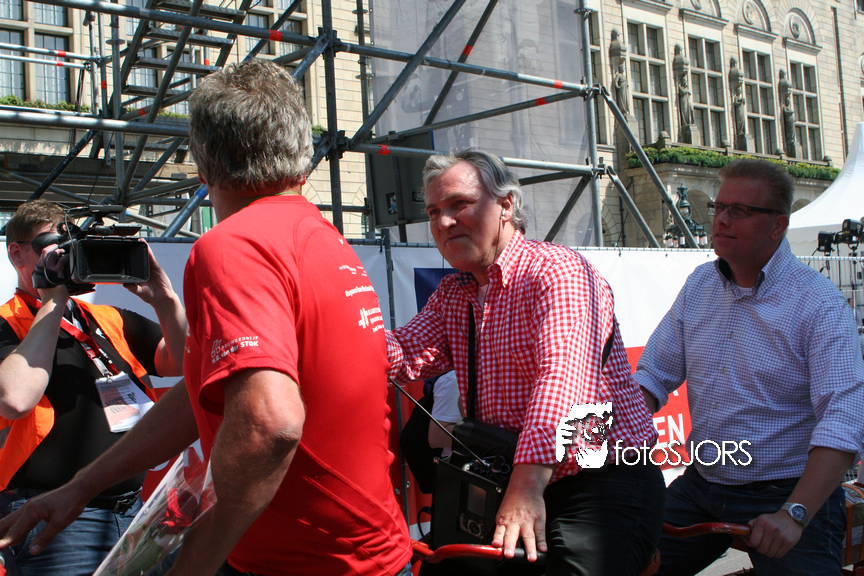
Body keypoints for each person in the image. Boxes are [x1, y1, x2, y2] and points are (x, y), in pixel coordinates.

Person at [0, 59, 412, 576]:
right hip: (359, 550)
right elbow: (199, 393)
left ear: (204, 167)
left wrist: (192, 566)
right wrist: (82, 486)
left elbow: (269, 424)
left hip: (300, 562)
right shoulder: (323, 236)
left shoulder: (234, 245)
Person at [387, 148, 665, 576]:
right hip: (510, 477)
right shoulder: (454, 293)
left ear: (505, 205)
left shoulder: (558, 271)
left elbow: (564, 382)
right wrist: (328, 335)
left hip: (599, 479)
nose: (444, 222)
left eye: (459, 204)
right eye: (434, 211)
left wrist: (527, 483)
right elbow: (404, 352)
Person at [635, 158, 864, 576]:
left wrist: (795, 513)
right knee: (622, 559)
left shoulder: (819, 305)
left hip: (787, 492)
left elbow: (843, 421)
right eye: (719, 207)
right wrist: (600, 432)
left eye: (739, 210)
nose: (721, 219)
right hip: (702, 485)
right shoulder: (700, 285)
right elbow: (652, 376)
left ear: (778, 226)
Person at [0, 199, 187, 576]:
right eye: (55, 249)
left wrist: (165, 298)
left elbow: (181, 360)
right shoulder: (7, 322)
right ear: (17, 254)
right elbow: (15, 399)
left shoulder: (105, 318)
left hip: (133, 511)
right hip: (53, 516)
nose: (67, 259)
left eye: (73, 248)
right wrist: (52, 298)